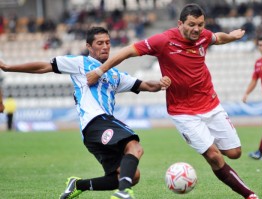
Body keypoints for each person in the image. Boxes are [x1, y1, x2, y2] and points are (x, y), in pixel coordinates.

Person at [86, 4, 259, 199]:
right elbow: (128, 51)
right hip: (183, 112)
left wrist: (232, 36)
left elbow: (217, 38)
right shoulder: (163, 40)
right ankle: (250, 195)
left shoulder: (203, 36)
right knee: (214, 157)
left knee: (234, 153)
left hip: (211, 104)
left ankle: (208, 146)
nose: (196, 29)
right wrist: (100, 71)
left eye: (200, 25)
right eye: (192, 24)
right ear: (180, 24)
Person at [0, 26, 171, 199]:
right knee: (134, 146)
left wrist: (161, 82)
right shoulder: (80, 63)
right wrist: (8, 67)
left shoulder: (115, 75)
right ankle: (124, 193)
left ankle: (78, 184)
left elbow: (148, 86)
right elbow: (44, 66)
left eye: (108, 42)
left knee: (132, 176)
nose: (105, 46)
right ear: (89, 46)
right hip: (96, 121)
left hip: (94, 132)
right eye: (99, 43)